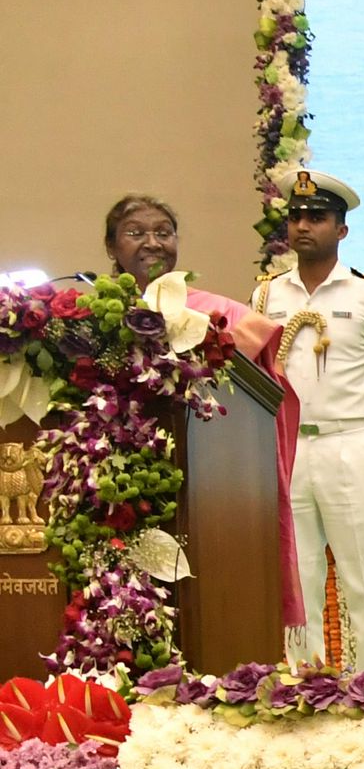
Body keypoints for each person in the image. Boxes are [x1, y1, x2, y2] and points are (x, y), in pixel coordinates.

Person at [93, 195, 306, 641]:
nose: (153, 242)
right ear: (111, 246)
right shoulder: (90, 318)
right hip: (114, 487)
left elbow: (265, 398)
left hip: (207, 491)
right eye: (135, 232)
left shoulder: (221, 316)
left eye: (164, 232)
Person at [254, 171, 364, 671]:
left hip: (349, 442)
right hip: (288, 450)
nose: (304, 226)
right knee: (297, 581)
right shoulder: (266, 296)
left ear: (341, 229)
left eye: (317, 217)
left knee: (363, 576)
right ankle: (305, 683)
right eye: (296, 216)